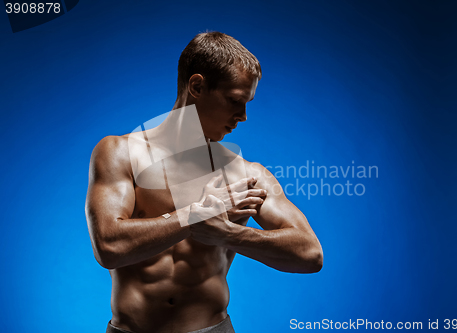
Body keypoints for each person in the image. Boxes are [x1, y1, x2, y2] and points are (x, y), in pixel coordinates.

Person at [85, 31, 323, 333]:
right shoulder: (119, 154)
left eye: (247, 103)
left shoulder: (245, 174)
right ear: (196, 86)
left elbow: (309, 254)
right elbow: (109, 246)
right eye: (236, 100)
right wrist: (193, 216)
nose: (244, 116)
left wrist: (227, 234)